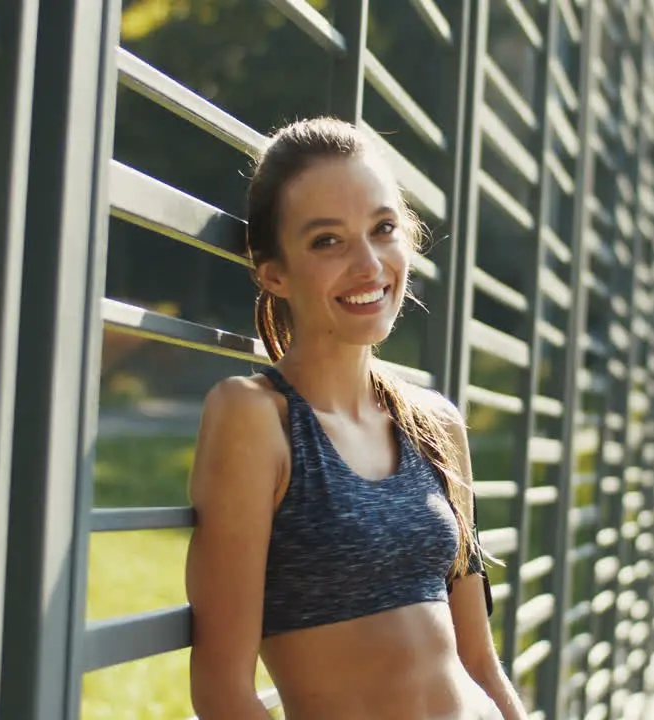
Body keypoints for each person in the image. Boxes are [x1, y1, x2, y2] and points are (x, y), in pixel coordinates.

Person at [185, 117, 528, 720]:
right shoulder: (255, 419)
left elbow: (479, 662)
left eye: (383, 228)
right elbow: (222, 692)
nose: (368, 264)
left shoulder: (435, 425)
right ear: (274, 273)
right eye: (328, 241)